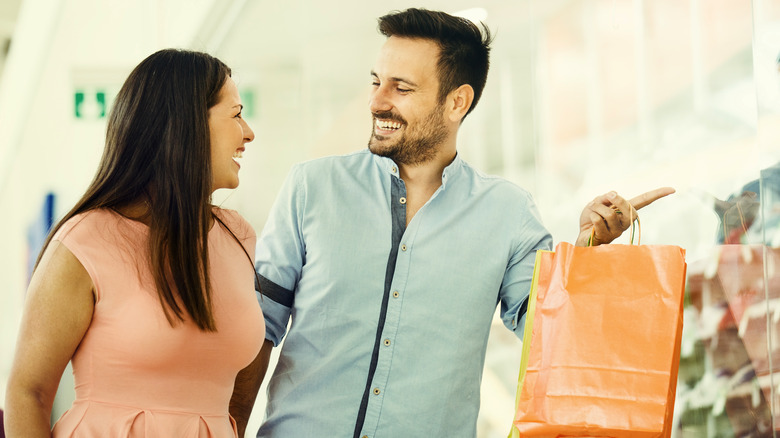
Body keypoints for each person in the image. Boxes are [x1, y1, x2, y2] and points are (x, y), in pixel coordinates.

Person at [231, 8, 675, 438]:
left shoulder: (508, 214)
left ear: (456, 102)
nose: (376, 101)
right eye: (375, 82)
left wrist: (587, 253)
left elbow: (546, 333)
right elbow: (258, 328)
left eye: (400, 88)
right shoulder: (312, 188)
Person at [4, 49, 263, 437]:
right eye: (236, 113)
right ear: (186, 125)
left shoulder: (238, 236)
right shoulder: (85, 240)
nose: (248, 132)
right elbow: (30, 393)